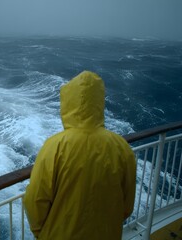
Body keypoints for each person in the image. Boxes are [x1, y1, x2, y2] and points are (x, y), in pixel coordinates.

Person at [23, 71, 136, 239]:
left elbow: (36, 200)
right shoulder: (121, 146)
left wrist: (41, 232)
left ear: (68, 102)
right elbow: (127, 204)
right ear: (99, 102)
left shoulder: (54, 146)